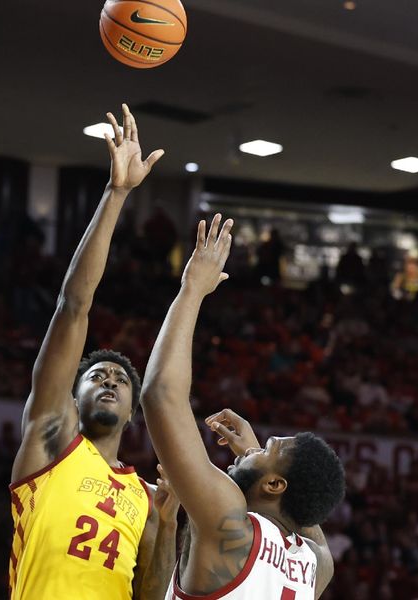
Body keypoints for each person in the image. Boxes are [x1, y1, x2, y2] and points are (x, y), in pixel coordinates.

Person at [9, 104, 179, 600]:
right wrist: (117, 193)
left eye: (122, 381)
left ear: (132, 416)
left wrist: (167, 526)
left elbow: (150, 594)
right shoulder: (51, 439)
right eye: (97, 376)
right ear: (71, 397)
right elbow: (73, 307)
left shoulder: (146, 497)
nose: (110, 381)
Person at [140, 214, 346, 599]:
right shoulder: (315, 566)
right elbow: (308, 518)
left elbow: (160, 394)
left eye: (266, 449)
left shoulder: (231, 524)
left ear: (273, 485)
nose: (252, 448)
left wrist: (192, 289)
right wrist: (256, 457)